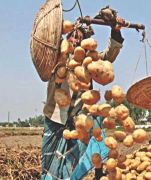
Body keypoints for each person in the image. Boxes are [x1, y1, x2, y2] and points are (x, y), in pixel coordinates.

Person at [41, 13, 124, 180]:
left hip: (79, 120)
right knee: (49, 160)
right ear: (67, 37)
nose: (76, 41)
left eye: (81, 38)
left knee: (76, 158)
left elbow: (108, 56)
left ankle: (92, 175)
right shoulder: (57, 56)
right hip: (55, 116)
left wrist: (115, 30)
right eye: (74, 36)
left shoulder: (90, 62)